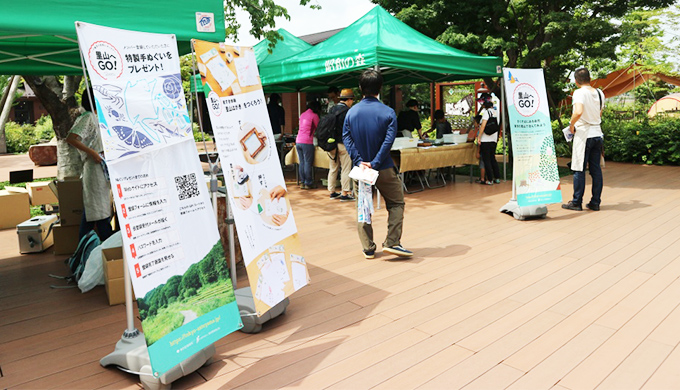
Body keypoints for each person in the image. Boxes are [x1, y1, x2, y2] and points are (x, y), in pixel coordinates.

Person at [343, 69, 412, 259]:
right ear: (380, 88)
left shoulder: (351, 113)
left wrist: (359, 161)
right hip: (384, 167)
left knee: (362, 206)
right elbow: (388, 142)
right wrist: (375, 162)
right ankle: (392, 242)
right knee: (396, 202)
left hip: (361, 170)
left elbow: (346, 138)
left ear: (360, 88)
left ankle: (368, 247)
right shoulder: (388, 112)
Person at [65, 88, 113, 241]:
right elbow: (71, 138)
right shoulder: (88, 117)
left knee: (95, 212)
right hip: (94, 168)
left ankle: (83, 251)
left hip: (100, 167)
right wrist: (92, 152)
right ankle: (105, 245)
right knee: (98, 212)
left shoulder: (97, 118)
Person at [563, 67, 604, 211]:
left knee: (578, 168)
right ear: (590, 78)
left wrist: (571, 124)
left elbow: (578, 111)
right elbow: (600, 112)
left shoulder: (579, 93)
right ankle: (595, 202)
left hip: (584, 135)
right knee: (596, 170)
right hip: (597, 134)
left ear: (576, 81)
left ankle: (576, 202)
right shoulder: (600, 93)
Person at [327, 88, 355, 201]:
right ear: (349, 100)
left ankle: (332, 191)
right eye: (352, 100)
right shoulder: (348, 112)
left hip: (331, 144)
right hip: (344, 144)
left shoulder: (332, 109)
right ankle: (345, 193)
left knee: (333, 168)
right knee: (345, 168)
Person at [296, 100, 321, 189]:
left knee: (301, 162)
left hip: (298, 140)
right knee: (307, 162)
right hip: (307, 141)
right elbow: (319, 128)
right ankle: (308, 182)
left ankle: (302, 182)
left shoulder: (302, 115)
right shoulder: (314, 116)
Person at [476, 100, 501, 185]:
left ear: (484, 106)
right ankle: (497, 178)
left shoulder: (486, 113)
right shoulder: (496, 112)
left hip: (485, 139)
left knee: (487, 160)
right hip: (493, 139)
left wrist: (479, 137)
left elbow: (483, 125)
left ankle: (489, 179)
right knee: (492, 158)